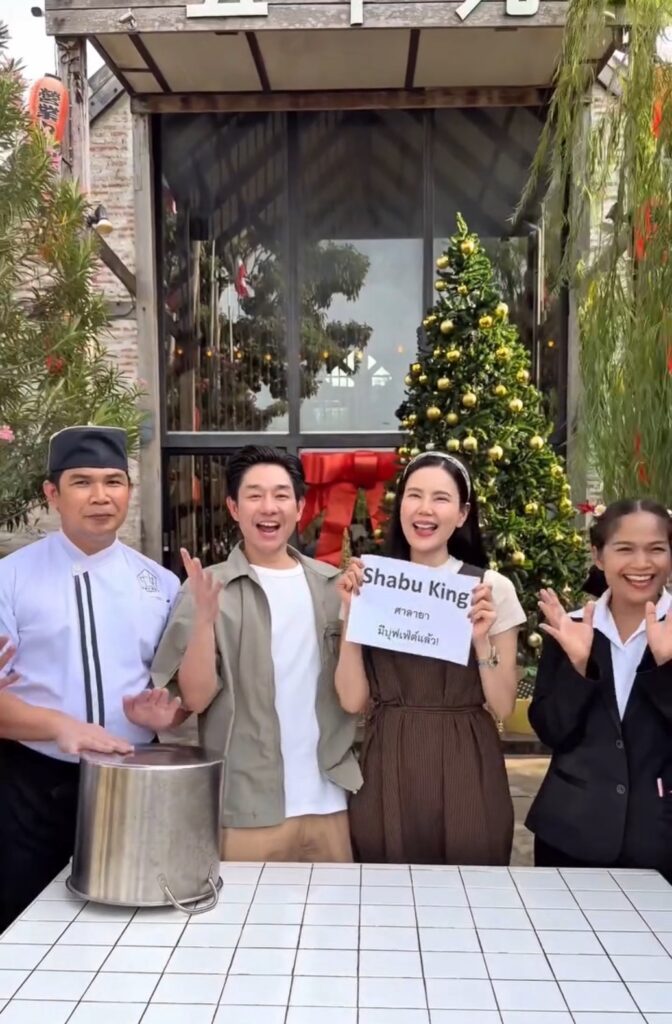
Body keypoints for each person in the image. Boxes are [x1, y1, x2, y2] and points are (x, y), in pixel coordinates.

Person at [0, 425, 183, 931]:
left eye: (113, 481)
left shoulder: (161, 583)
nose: (101, 496)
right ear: (52, 493)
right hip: (33, 786)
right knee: (25, 927)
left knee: (132, 925)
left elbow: (180, 692)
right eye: (82, 482)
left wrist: (167, 714)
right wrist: (60, 726)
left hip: (135, 784)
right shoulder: (10, 578)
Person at [151, 445, 362, 863]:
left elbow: (355, 696)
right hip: (247, 809)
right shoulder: (207, 587)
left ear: (300, 507)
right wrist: (204, 620)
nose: (269, 507)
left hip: (329, 800)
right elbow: (194, 699)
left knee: (336, 908)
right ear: (233, 507)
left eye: (282, 495)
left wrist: (354, 613)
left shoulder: (333, 587)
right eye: (254, 495)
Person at [336, 450, 526, 864]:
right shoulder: (371, 584)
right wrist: (351, 615)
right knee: (387, 884)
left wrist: (481, 641)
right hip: (389, 756)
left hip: (466, 756)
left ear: (462, 514)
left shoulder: (490, 588)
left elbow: (503, 705)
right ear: (400, 505)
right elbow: (352, 701)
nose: (425, 509)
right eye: (414, 495)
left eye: (441, 498)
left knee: (471, 881)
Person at [526, 499, 672, 876]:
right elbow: (552, 731)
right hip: (571, 834)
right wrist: (579, 668)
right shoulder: (572, 628)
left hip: (659, 838)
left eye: (656, 549)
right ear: (598, 555)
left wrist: (666, 665)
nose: (641, 563)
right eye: (625, 549)